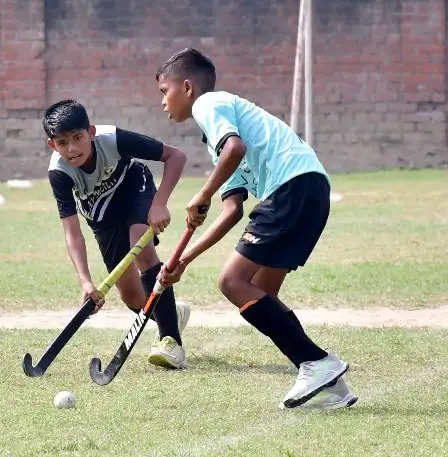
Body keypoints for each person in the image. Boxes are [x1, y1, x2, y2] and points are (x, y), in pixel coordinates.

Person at [155, 48, 358, 408]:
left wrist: (202, 192)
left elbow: (236, 147)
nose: (162, 102)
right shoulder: (216, 137)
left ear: (186, 87)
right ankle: (333, 388)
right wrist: (183, 260)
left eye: (163, 91)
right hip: (310, 190)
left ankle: (316, 362)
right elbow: (232, 210)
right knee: (261, 289)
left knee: (231, 282)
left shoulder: (209, 104)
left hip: (291, 188)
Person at [44, 99, 190, 369]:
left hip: (133, 187)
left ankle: (171, 342)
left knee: (140, 245)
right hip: (101, 214)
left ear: (91, 132)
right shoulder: (59, 173)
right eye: (62, 143)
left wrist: (159, 203)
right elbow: (72, 233)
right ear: (52, 144)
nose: (72, 149)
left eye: (77, 138)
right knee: (132, 296)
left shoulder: (112, 138)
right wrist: (86, 282)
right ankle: (170, 314)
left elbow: (175, 156)